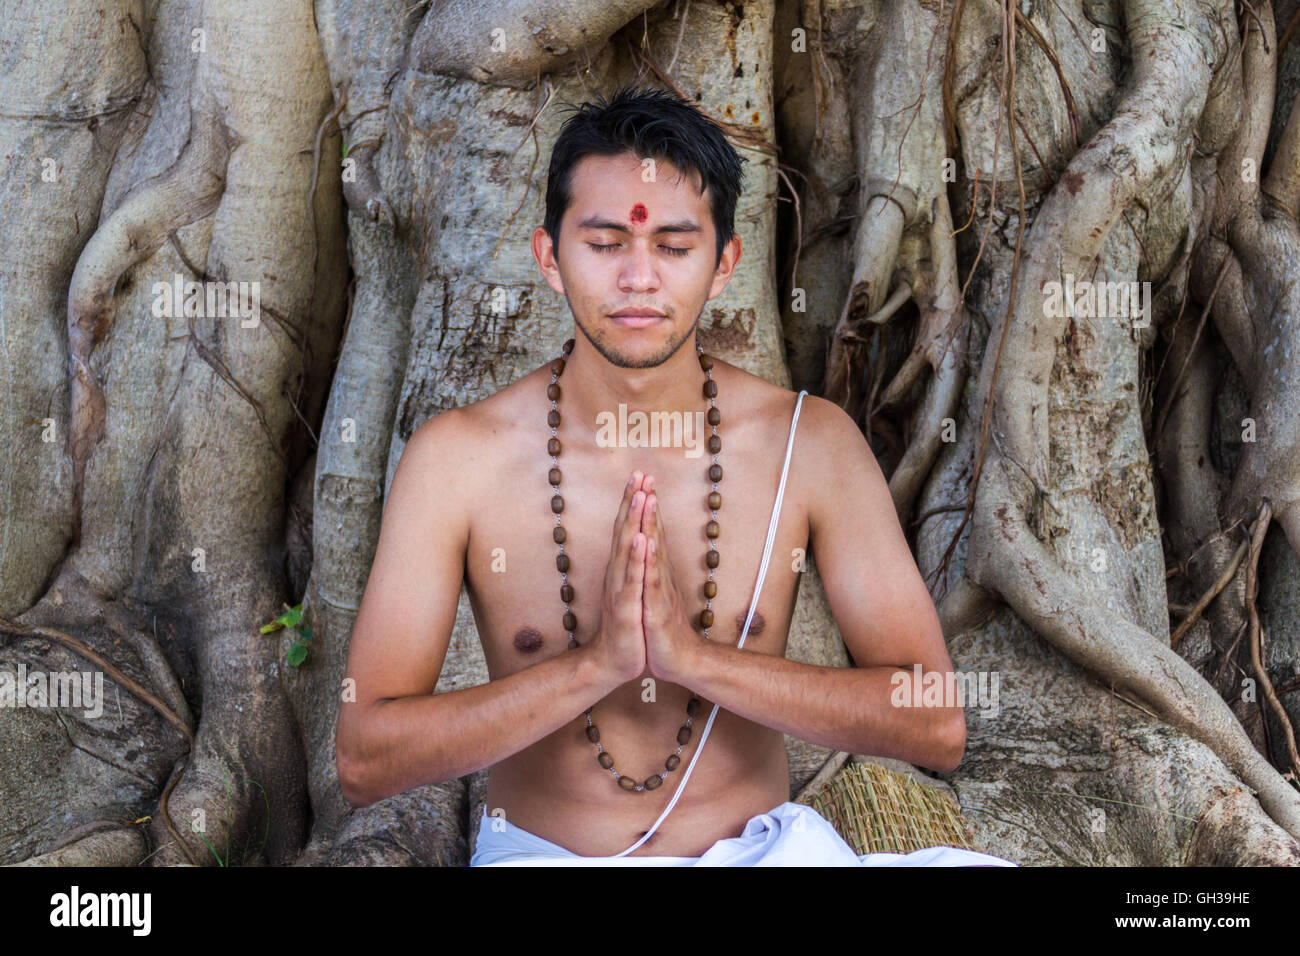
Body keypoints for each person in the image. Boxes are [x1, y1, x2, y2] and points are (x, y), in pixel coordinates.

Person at [335, 85, 1015, 867]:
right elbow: (365, 757)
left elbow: (934, 723)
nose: (637, 278)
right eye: (604, 243)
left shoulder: (807, 444)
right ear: (549, 258)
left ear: (724, 262)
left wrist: (694, 661)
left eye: (673, 245)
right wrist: (598, 667)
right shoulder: (459, 458)